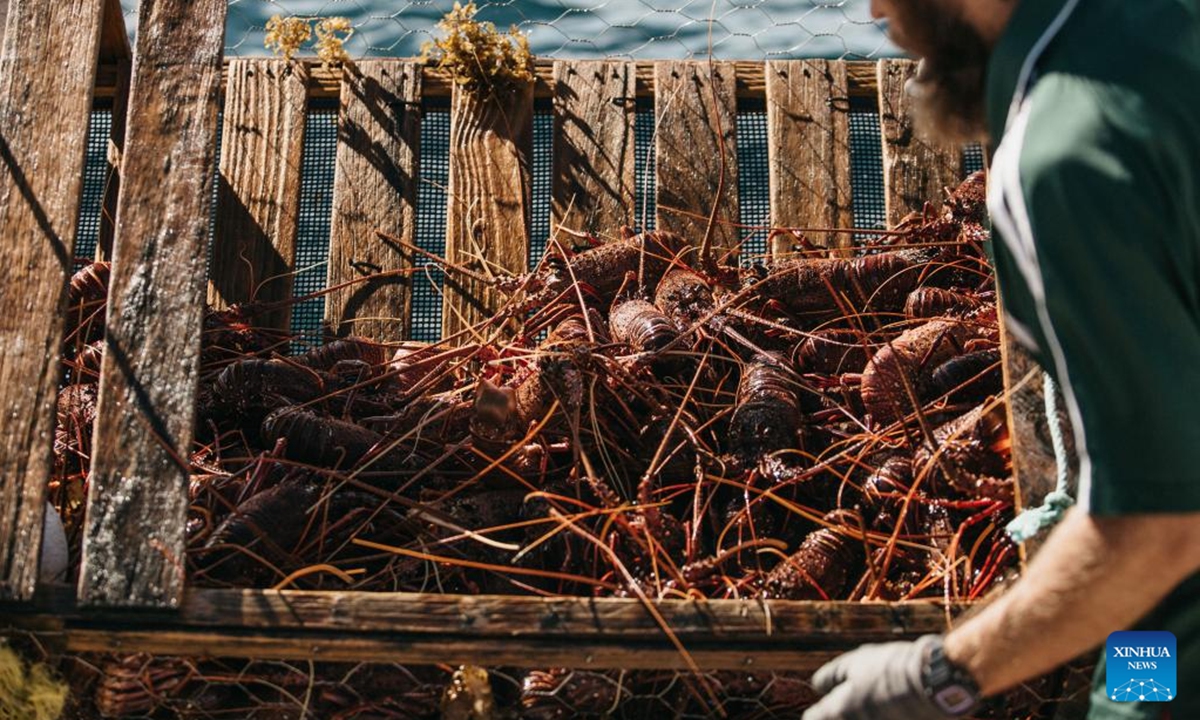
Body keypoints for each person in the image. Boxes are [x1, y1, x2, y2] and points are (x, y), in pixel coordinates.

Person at [802, 0, 1200, 718]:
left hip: (1173, 648)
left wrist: (939, 673)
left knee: (1137, 697)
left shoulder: (1062, 155)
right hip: (1155, 614)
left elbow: (1160, 523)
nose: (874, 9)